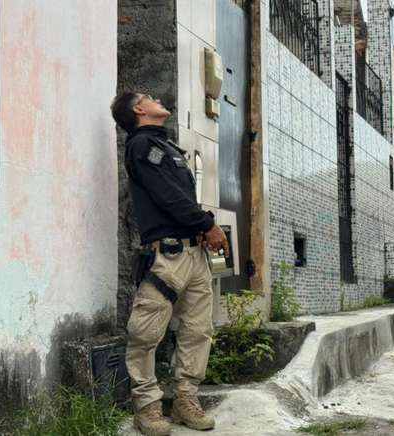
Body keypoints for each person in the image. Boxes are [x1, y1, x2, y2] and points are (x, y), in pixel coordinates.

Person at [111, 92, 229, 435]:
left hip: (194, 254)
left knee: (197, 331)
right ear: (138, 110)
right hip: (167, 255)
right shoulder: (141, 146)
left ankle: (185, 401)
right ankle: (147, 406)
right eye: (148, 98)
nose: (158, 99)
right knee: (145, 332)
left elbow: (179, 199)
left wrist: (202, 230)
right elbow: (167, 196)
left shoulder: (170, 148)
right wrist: (206, 223)